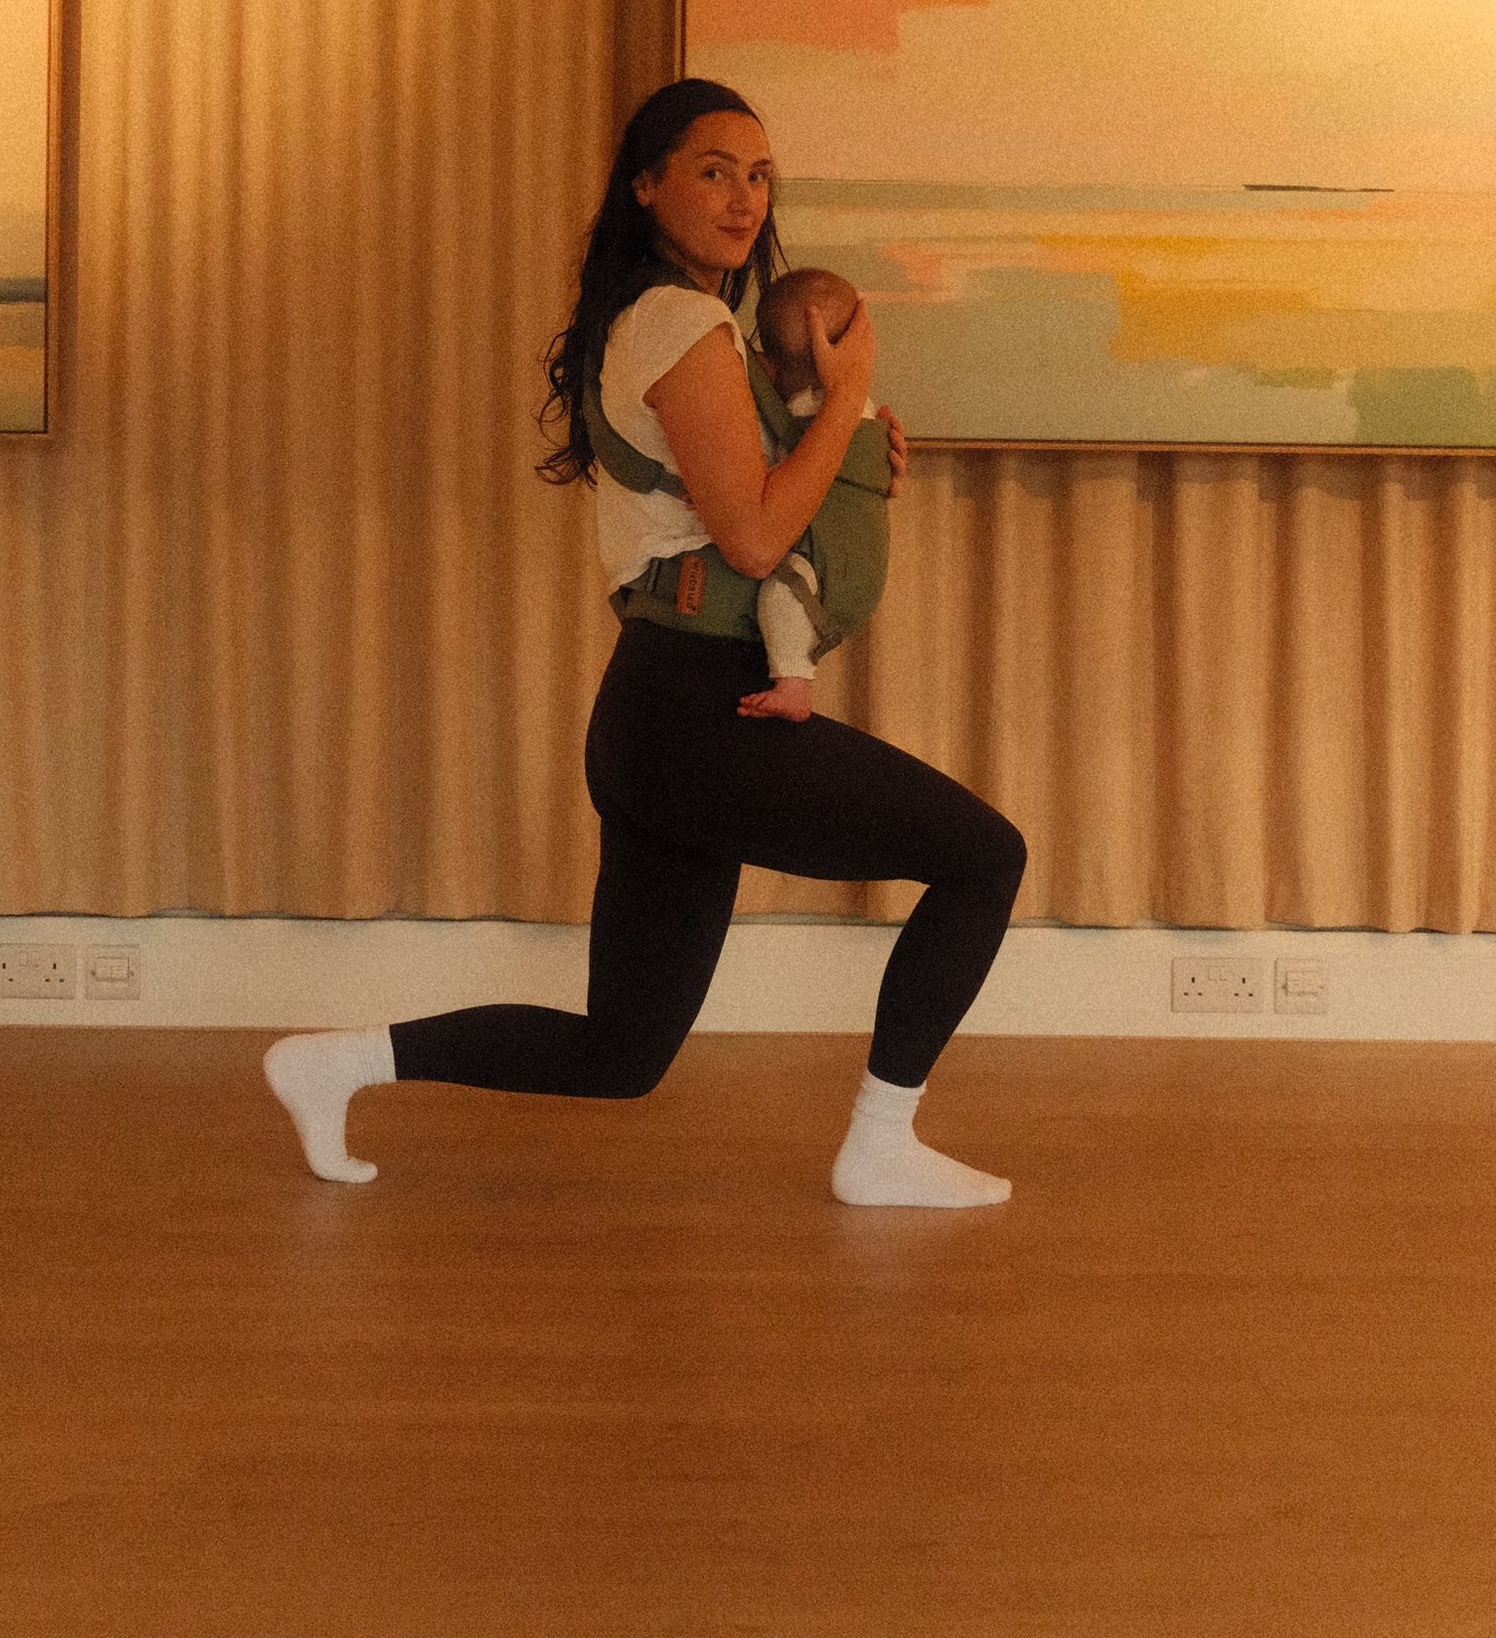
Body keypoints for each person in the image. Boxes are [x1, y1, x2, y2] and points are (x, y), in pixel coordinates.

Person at [261, 78, 1027, 1204]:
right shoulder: (678, 322)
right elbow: (759, 539)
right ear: (647, 185)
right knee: (984, 856)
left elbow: (763, 502)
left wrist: (847, 451)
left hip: (658, 719)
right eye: (713, 170)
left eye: (760, 176)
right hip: (694, 712)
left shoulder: (669, 325)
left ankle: (332, 1064)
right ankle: (879, 1145)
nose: (742, 198)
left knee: (619, 1054)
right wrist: (851, 391)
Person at [732, 263, 892, 724]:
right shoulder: (865, 415)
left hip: (822, 574)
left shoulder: (810, 419)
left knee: (780, 594)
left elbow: (778, 474)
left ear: (772, 365)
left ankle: (793, 686)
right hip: (864, 571)